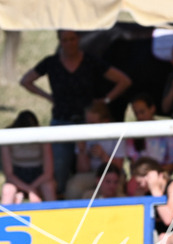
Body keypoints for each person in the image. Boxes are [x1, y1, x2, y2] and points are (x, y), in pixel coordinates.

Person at [20, 30, 132, 194]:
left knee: (86, 169)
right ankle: (59, 203)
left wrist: (106, 100)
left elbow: (123, 80)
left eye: (72, 39)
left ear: (78, 39)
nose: (69, 43)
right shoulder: (51, 62)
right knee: (60, 167)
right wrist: (48, 97)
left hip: (89, 123)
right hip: (62, 121)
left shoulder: (89, 60)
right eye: (65, 40)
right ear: (59, 41)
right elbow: (26, 81)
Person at [64, 101, 126, 200]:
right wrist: (82, 151)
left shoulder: (116, 135)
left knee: (113, 189)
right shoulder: (83, 135)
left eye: (92, 123)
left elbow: (118, 167)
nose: (88, 126)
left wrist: (103, 156)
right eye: (87, 122)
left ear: (105, 121)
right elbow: (82, 170)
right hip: (92, 174)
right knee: (73, 188)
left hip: (113, 174)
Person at [124, 92, 173, 195]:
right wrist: (145, 177)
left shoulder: (166, 130)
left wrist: (155, 175)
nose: (139, 116)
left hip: (162, 175)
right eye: (136, 113)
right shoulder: (133, 134)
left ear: (152, 109)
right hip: (140, 178)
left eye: (142, 112)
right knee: (133, 186)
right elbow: (133, 164)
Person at [0, 110, 56, 204]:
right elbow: (9, 175)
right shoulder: (7, 138)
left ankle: (55, 216)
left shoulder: (44, 137)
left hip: (39, 176)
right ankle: (4, 217)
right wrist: (29, 190)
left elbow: (48, 173)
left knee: (48, 187)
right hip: (17, 176)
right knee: (8, 190)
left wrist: (32, 188)